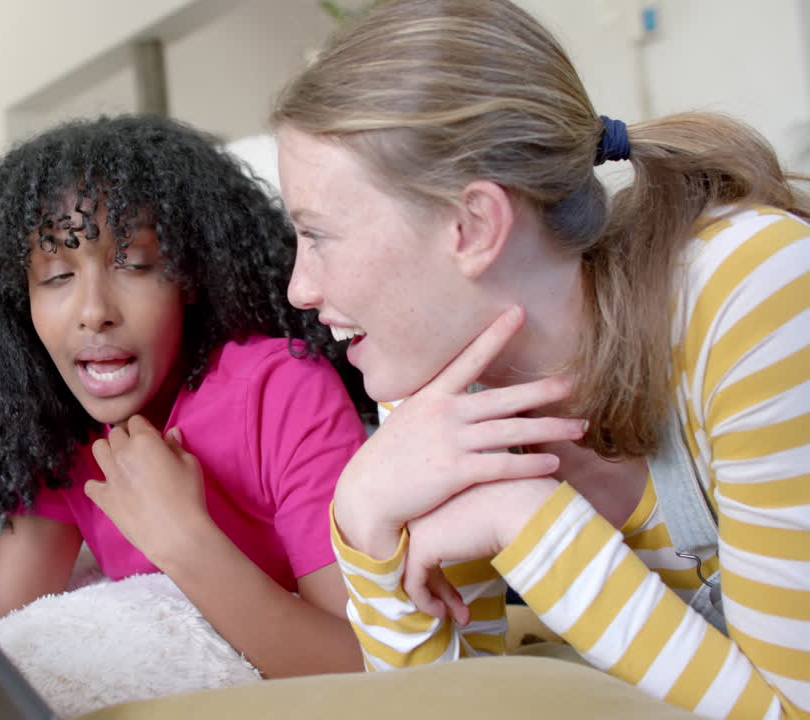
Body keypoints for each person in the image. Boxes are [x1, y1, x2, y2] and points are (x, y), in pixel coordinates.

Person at [265, 0, 809, 717]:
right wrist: (363, 524)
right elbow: (457, 710)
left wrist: (529, 522)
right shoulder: (441, 394)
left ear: (473, 225)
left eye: (319, 235)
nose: (300, 288)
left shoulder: (751, 291)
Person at [0, 114, 368, 692]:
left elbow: (360, 666)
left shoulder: (280, 387)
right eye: (55, 276)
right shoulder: (60, 425)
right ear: (17, 300)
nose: (94, 310)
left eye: (134, 263)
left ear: (190, 276)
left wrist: (181, 537)